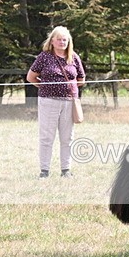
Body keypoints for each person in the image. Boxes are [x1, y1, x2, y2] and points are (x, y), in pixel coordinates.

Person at [26, 26, 85, 178]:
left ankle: (66, 170)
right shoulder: (44, 57)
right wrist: (46, 87)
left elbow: (81, 79)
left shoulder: (74, 57)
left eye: (64, 39)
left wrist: (68, 88)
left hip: (68, 102)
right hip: (48, 101)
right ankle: (44, 171)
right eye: (58, 39)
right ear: (52, 41)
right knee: (47, 137)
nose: (62, 42)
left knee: (67, 137)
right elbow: (30, 77)